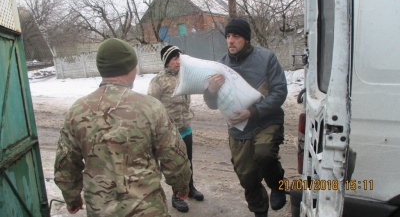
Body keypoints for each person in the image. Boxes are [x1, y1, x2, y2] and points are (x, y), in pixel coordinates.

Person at [54, 38, 192, 217]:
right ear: (132, 68)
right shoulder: (150, 107)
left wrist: (72, 198)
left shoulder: (77, 111)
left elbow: (65, 164)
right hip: (147, 209)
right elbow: (174, 155)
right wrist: (181, 186)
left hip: (101, 210)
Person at [203, 18, 288, 217]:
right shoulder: (221, 66)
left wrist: (253, 111)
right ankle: (260, 211)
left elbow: (280, 92)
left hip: (265, 120)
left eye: (236, 36)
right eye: (228, 36)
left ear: (247, 39)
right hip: (238, 127)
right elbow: (211, 104)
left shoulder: (266, 58)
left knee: (265, 154)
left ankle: (277, 185)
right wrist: (211, 90)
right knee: (247, 177)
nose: (231, 40)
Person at [147, 45, 204, 213]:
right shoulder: (158, 81)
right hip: (170, 131)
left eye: (179, 58)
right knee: (175, 165)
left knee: (189, 161)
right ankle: (176, 196)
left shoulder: (184, 75)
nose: (178, 62)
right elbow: (151, 105)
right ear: (167, 61)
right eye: (174, 59)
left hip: (186, 126)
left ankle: (191, 188)